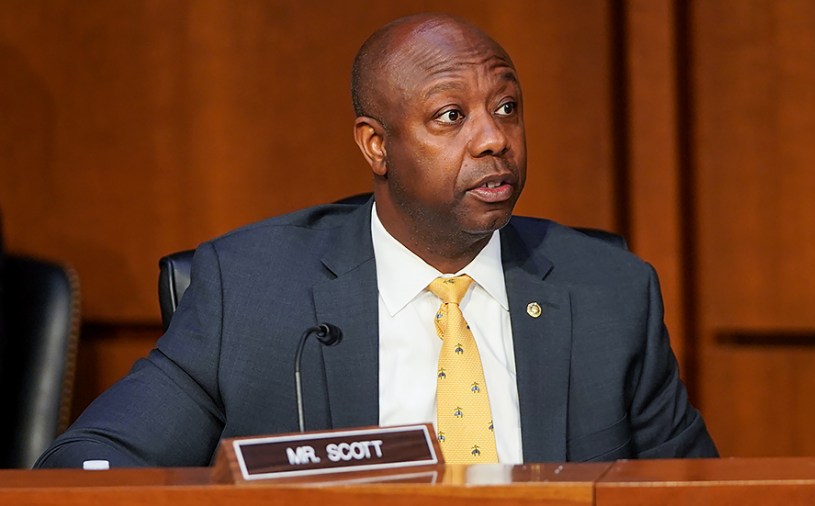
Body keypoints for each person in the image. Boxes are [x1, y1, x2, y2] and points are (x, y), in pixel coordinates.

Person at [36, 13, 717, 468]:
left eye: (506, 107)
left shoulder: (608, 293)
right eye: (451, 116)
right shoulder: (251, 291)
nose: (494, 138)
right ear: (376, 144)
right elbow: (89, 465)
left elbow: (695, 491)